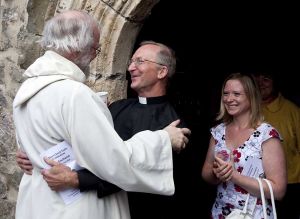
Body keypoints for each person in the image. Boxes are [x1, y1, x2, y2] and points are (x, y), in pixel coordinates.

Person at [13, 10, 191, 219]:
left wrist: (36, 156)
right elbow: (114, 160)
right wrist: (163, 138)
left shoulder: (27, 89)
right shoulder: (76, 94)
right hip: (73, 206)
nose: (130, 67)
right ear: (78, 47)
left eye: (140, 62)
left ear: (162, 72)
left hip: (45, 204)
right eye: (95, 49)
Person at [201, 73, 286, 218]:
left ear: (251, 97)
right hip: (221, 213)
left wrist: (234, 176)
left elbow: (278, 191)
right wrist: (217, 172)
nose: (229, 99)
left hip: (253, 214)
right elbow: (206, 174)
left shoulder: (266, 135)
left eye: (236, 94)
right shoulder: (218, 131)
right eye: (226, 93)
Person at [253, 71, 300, 219]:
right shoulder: (247, 108)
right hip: (253, 183)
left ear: (275, 82)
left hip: (288, 184)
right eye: (256, 78)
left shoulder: (292, 111)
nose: (260, 83)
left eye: (265, 79)